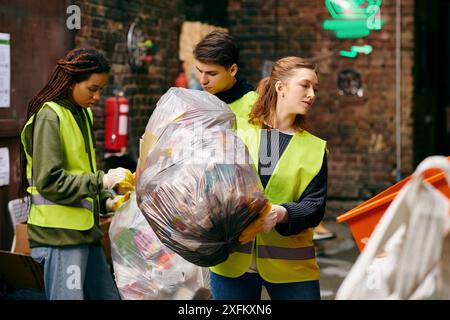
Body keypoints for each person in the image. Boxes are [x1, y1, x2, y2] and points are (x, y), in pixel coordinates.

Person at [209, 56, 328, 300]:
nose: (312, 94)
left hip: (292, 270)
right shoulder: (237, 131)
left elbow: (314, 207)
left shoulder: (315, 149)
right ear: (280, 87)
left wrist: (282, 213)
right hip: (231, 262)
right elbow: (212, 184)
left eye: (315, 88)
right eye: (304, 85)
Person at [20, 48, 128, 300]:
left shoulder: (82, 113)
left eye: (101, 89)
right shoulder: (49, 116)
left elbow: (81, 171)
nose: (97, 96)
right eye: (92, 89)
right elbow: (49, 181)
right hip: (59, 239)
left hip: (85, 234)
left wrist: (106, 198)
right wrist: (101, 180)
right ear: (71, 82)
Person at [193, 30, 257, 118]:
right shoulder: (195, 103)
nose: (203, 81)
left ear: (232, 70)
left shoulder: (256, 105)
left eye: (212, 74)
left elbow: (272, 132)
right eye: (200, 71)